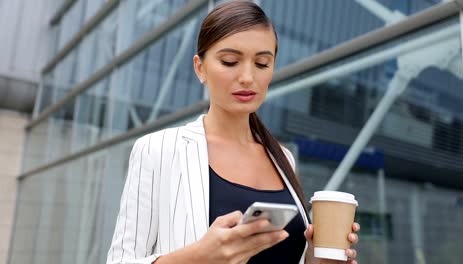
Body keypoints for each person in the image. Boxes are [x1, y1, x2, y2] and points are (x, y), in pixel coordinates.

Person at [107, 1, 360, 264]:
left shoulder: (283, 158)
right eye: (230, 61)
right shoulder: (158, 150)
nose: (247, 77)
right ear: (200, 67)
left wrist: (315, 259)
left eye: (262, 63)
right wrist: (199, 257)